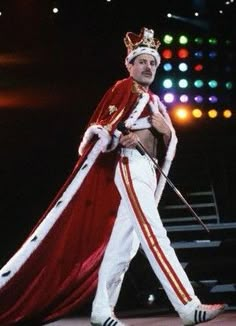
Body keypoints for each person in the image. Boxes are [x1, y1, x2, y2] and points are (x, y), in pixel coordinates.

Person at [0, 27, 225, 325]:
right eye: (142, 61)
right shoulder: (123, 87)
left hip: (148, 170)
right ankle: (187, 305)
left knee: (123, 247)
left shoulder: (155, 100)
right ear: (129, 65)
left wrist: (165, 129)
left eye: (153, 63)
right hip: (129, 165)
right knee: (154, 236)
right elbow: (104, 128)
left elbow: (164, 140)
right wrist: (125, 137)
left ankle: (101, 310)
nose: (148, 67)